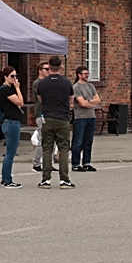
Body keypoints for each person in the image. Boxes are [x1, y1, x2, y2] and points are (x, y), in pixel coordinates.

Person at [36, 56, 75, 189]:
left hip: (47, 118)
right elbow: (71, 101)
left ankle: (46, 179)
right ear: (61, 66)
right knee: (63, 148)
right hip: (62, 118)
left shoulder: (42, 83)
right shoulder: (66, 82)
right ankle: (64, 179)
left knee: (47, 148)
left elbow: (40, 99)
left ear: (49, 66)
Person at [0, 66, 25, 188]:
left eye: (15, 76)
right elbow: (20, 102)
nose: (15, 78)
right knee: (10, 152)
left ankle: (5, 178)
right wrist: (18, 89)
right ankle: (7, 180)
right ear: (5, 77)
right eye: (12, 76)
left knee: (10, 151)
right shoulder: (5, 90)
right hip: (11, 122)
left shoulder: (7, 88)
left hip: (10, 121)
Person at [71, 66, 101, 172]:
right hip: (80, 117)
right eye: (84, 73)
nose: (87, 75)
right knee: (78, 141)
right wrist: (91, 102)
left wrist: (89, 102)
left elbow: (98, 99)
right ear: (79, 75)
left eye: (87, 73)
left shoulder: (91, 86)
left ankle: (86, 162)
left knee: (88, 141)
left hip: (91, 116)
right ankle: (75, 163)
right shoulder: (76, 87)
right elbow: (82, 103)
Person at [30, 61, 50, 171]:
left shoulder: (48, 82)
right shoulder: (38, 83)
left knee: (50, 139)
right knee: (42, 139)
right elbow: (41, 99)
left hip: (49, 113)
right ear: (40, 70)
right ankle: (36, 163)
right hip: (41, 113)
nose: (48, 71)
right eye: (46, 69)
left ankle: (48, 163)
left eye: (49, 69)